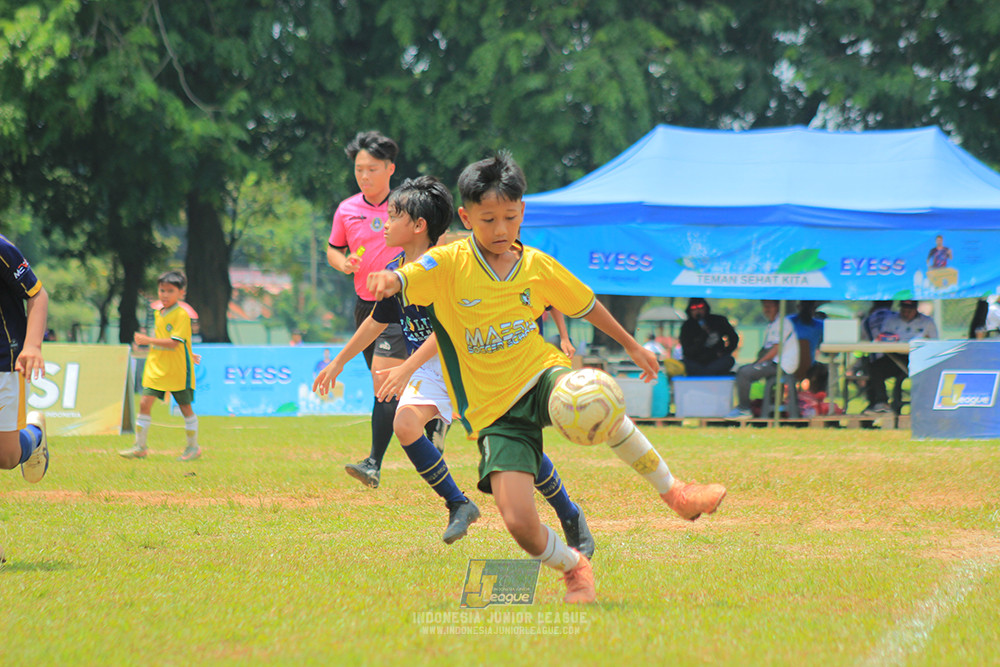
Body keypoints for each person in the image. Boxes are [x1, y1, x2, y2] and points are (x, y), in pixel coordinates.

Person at [366, 152, 726, 604]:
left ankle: (676, 492)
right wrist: (392, 281)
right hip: (492, 410)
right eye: (488, 220)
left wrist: (632, 344)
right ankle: (574, 567)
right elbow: (415, 273)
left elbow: (585, 303)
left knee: (592, 395)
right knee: (518, 521)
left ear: (522, 211)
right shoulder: (451, 262)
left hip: (541, 374)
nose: (500, 229)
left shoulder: (536, 265)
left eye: (510, 217)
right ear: (466, 217)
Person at [314, 176, 594, 555]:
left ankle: (568, 512)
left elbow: (446, 330)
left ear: (419, 225)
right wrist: (337, 363)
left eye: (393, 216)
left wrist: (405, 368)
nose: (385, 224)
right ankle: (458, 503)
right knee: (405, 424)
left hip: (469, 365)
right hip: (431, 369)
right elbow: (376, 322)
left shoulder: (448, 267)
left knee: (514, 445)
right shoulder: (397, 269)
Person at [326, 130, 442, 487]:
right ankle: (434, 424)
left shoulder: (410, 207)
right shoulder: (347, 209)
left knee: (387, 382)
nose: (364, 175)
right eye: (359, 169)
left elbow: (433, 247)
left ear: (390, 169)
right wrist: (342, 263)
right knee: (391, 385)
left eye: (372, 169)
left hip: (404, 305)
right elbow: (333, 249)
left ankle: (374, 462)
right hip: (370, 305)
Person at [0, 234, 51, 564]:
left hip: (5, 363)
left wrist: (32, 346)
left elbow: (37, 294)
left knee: (6, 457)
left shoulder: (1, 249)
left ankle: (35, 434)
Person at [120, 271, 201, 461]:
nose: (165, 295)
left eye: (170, 291)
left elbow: (174, 342)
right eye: (162, 290)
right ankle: (140, 446)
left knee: (185, 407)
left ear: (181, 292)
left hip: (177, 369)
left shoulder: (181, 314)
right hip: (156, 367)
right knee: (144, 403)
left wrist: (148, 340)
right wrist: (189, 352)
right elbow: (170, 338)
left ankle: (193, 448)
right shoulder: (159, 313)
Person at [862, 299, 938, 415]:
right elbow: (883, 337)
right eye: (904, 310)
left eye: (909, 311)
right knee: (875, 367)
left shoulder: (927, 322)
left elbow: (934, 343)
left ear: (915, 309)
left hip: (918, 359)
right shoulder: (891, 320)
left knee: (926, 374)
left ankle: (925, 405)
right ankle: (881, 402)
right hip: (896, 356)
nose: (906, 313)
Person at [726, 300, 798, 419]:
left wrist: (758, 363)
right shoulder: (772, 324)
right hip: (773, 363)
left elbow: (776, 349)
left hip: (782, 365)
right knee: (742, 369)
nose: (767, 309)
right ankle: (745, 407)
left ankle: (744, 409)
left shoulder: (782, 324)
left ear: (777, 307)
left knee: (744, 373)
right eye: (765, 306)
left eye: (769, 306)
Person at [678, 298, 739, 376]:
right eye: (694, 308)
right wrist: (702, 338)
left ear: (706, 308)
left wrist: (725, 351)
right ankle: (707, 373)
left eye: (700, 307)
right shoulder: (687, 326)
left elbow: (733, 337)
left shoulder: (718, 320)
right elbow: (687, 350)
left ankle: (705, 373)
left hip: (716, 359)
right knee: (682, 363)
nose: (698, 311)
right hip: (695, 361)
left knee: (729, 360)